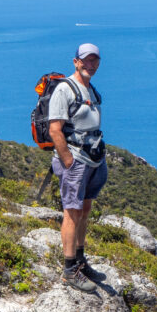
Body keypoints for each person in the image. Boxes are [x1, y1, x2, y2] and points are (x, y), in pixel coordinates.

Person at [48, 43, 108, 292]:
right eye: (86, 60)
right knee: (72, 213)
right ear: (76, 61)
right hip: (76, 160)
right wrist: (68, 161)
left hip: (93, 158)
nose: (90, 64)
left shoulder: (90, 89)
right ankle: (69, 269)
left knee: (84, 209)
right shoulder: (65, 89)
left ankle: (80, 261)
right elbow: (55, 129)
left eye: (95, 60)